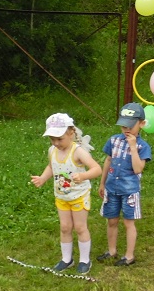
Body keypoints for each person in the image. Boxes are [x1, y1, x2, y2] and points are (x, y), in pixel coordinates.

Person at [31, 113, 102, 274]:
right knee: (64, 227)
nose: (56, 143)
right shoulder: (52, 150)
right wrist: (43, 178)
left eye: (59, 139)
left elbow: (97, 169)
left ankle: (84, 260)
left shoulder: (78, 152)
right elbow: (51, 166)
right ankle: (66, 259)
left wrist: (83, 176)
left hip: (79, 196)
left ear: (71, 133)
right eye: (52, 139)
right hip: (62, 196)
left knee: (80, 227)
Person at [98, 102, 151, 267]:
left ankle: (129, 256)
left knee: (129, 223)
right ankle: (111, 251)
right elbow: (108, 160)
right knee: (111, 220)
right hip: (111, 188)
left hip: (130, 191)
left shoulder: (143, 146)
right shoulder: (113, 140)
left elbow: (138, 169)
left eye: (130, 126)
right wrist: (102, 183)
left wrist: (133, 148)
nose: (126, 129)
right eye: (123, 126)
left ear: (141, 124)